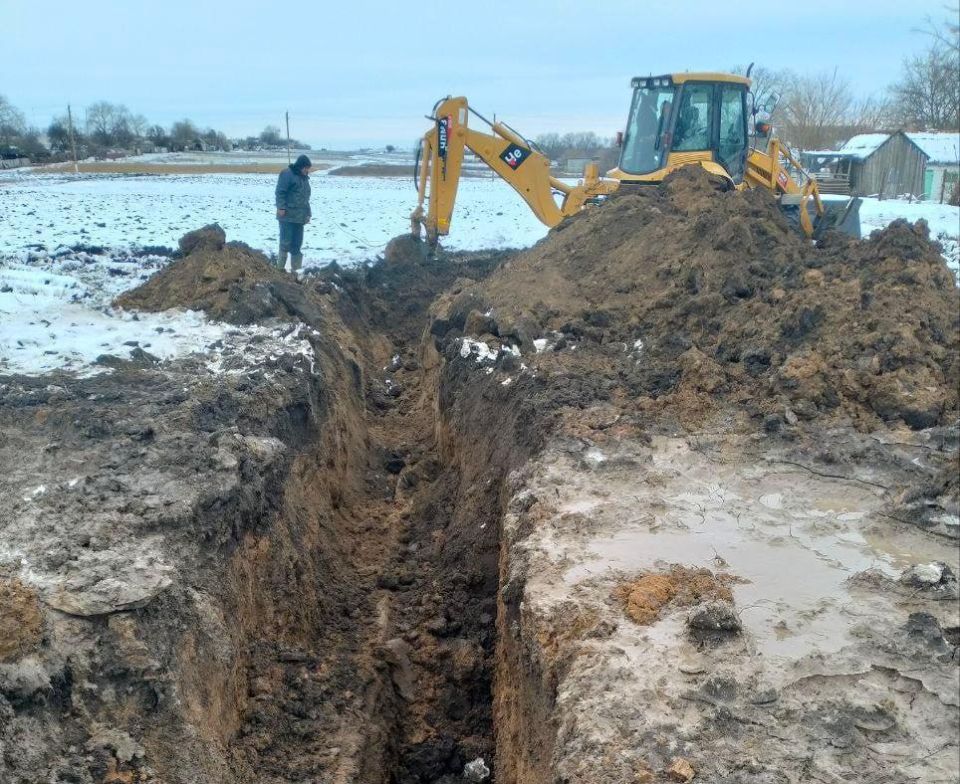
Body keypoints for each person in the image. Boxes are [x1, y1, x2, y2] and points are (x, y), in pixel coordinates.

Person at [275, 154, 312, 272]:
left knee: (297, 246)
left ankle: (296, 272)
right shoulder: (287, 174)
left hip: (299, 218)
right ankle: (279, 270)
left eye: (308, 169)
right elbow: (280, 192)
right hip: (287, 217)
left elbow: (305, 199)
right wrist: (281, 207)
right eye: (306, 168)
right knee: (285, 244)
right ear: (300, 166)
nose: (307, 171)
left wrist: (308, 214)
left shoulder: (304, 179)